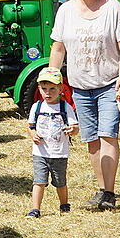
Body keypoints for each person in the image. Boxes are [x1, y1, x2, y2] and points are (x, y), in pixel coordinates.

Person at [49, 0, 120, 210]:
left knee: (108, 134)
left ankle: (109, 192)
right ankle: (102, 189)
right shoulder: (66, 11)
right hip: (80, 85)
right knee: (91, 139)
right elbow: (58, 48)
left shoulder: (112, 8)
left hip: (109, 82)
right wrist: (53, 78)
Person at [24, 67, 79, 218]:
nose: (48, 93)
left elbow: (75, 128)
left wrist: (72, 130)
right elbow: (30, 126)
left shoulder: (65, 107)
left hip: (59, 153)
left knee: (60, 182)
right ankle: (35, 209)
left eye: (52, 89)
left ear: (61, 88)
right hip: (40, 153)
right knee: (39, 181)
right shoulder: (37, 107)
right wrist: (33, 134)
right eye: (44, 89)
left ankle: (64, 204)